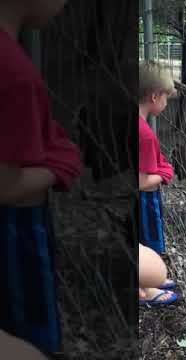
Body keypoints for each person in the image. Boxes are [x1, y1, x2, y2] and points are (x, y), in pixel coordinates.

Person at [0, 0, 82, 357]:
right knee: (30, 339)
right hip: (13, 237)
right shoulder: (13, 71)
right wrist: (63, 161)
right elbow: (5, 186)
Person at [138, 60, 177, 305]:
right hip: (143, 200)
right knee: (146, 240)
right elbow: (141, 182)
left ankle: (145, 280)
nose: (166, 102)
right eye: (166, 97)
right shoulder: (144, 134)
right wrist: (164, 174)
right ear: (154, 96)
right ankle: (148, 289)